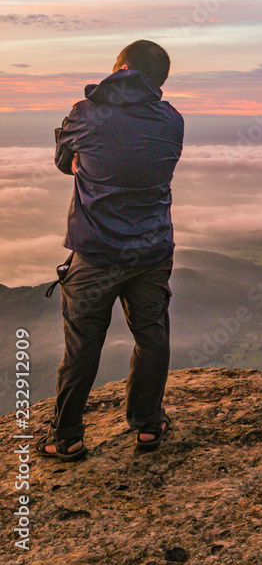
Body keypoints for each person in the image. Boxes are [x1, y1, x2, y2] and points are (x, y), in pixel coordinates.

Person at [37, 40, 184, 461]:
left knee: (82, 346)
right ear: (159, 80)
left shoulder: (87, 113)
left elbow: (64, 161)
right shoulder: (172, 120)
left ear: (120, 68)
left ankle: (66, 436)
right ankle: (148, 424)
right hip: (153, 249)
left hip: (97, 251)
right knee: (152, 335)